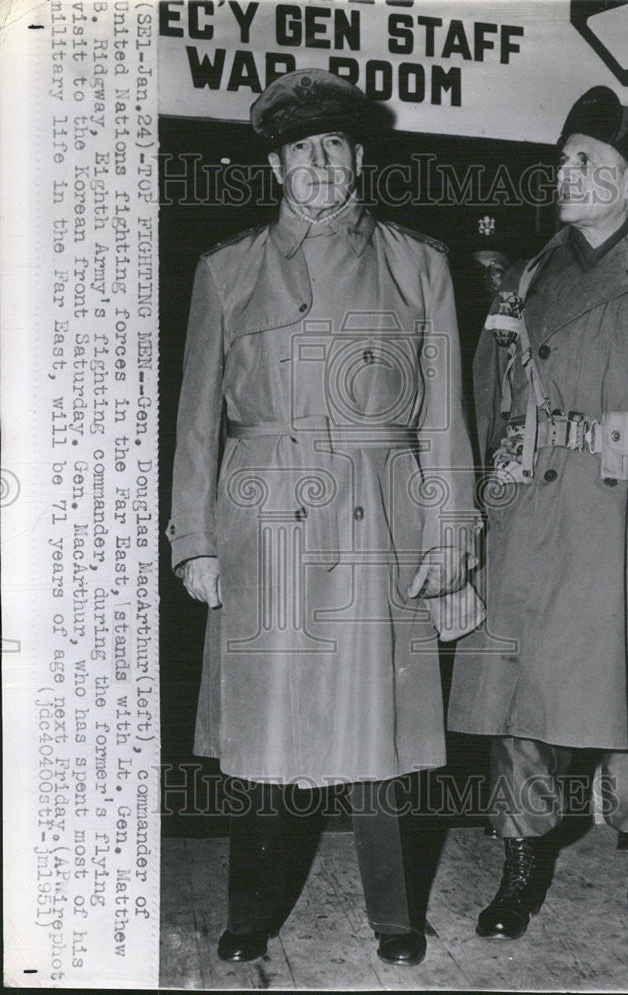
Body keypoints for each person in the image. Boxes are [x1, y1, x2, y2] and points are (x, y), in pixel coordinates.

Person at [167, 68, 478, 966]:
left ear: (358, 158)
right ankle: (252, 911)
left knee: (376, 729)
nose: (316, 163)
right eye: (299, 149)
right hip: (261, 525)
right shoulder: (225, 271)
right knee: (266, 730)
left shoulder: (419, 264)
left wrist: (453, 529)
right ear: (277, 168)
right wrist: (193, 541)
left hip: (380, 520)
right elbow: (194, 422)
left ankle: (394, 918)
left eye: (331, 145)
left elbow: (444, 415)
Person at [448, 86, 628, 941]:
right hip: (533, 514)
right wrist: (467, 514)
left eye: (586, 163)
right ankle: (520, 870)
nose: (565, 174)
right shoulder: (526, 275)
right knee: (524, 706)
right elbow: (484, 409)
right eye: (563, 159)